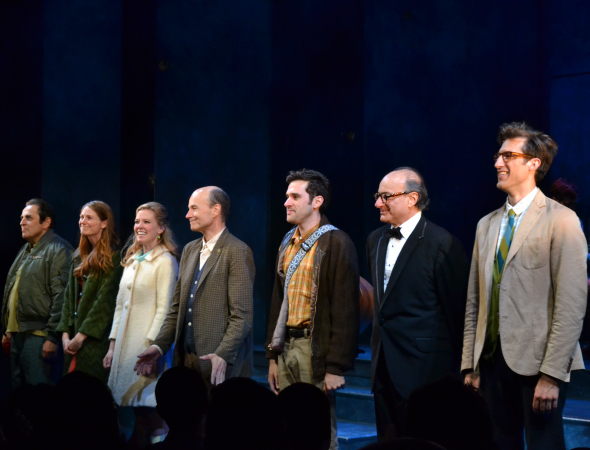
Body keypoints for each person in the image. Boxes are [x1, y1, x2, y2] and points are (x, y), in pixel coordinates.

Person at [462, 122, 587, 450]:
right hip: (490, 363)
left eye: (507, 156)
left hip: (538, 365)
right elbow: (475, 301)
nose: (497, 163)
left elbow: (571, 304)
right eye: (497, 155)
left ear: (534, 163)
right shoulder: (485, 225)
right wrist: (471, 364)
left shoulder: (561, 220)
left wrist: (552, 375)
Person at [366, 167, 469, 441]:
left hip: (425, 371)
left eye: (385, 196)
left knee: (424, 442)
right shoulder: (375, 239)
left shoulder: (442, 243)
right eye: (378, 196)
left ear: (412, 198)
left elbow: (456, 312)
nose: (378, 202)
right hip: (383, 366)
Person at [266, 169, 360, 450]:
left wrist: (335, 367)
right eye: (286, 196)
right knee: (286, 422)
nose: (287, 202)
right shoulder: (286, 242)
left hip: (313, 346)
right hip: (286, 347)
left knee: (317, 425)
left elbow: (346, 310)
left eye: (295, 196)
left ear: (316, 201)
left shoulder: (336, 242)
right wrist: (272, 355)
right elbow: (277, 301)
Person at [135, 187, 255, 389]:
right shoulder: (190, 250)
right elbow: (176, 308)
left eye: (194, 209)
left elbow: (241, 316)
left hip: (219, 365)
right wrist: (158, 346)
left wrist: (223, 354)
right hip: (186, 361)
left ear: (215, 210)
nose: (187, 214)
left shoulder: (237, 251)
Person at [103, 202, 179, 445]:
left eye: (147, 221)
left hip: (147, 349)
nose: (140, 226)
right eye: (137, 221)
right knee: (137, 413)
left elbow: (165, 309)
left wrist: (152, 351)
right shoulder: (133, 259)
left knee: (152, 410)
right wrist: (112, 347)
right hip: (126, 348)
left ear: (161, 228)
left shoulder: (165, 261)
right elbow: (119, 306)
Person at [1, 199, 73, 388]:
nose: (21, 222)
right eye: (21, 218)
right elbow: (14, 291)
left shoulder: (58, 249)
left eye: (28, 218)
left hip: (39, 335)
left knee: (39, 393)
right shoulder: (25, 250)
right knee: (19, 395)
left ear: (46, 223)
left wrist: (52, 337)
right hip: (19, 334)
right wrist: (9, 329)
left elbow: (62, 297)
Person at [56, 200, 123, 384]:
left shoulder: (114, 258)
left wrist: (81, 336)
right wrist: (65, 335)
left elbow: (104, 304)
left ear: (104, 223)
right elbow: (68, 299)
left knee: (90, 393)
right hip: (72, 339)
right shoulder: (79, 256)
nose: (82, 221)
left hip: (95, 341)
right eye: (81, 217)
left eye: (89, 218)